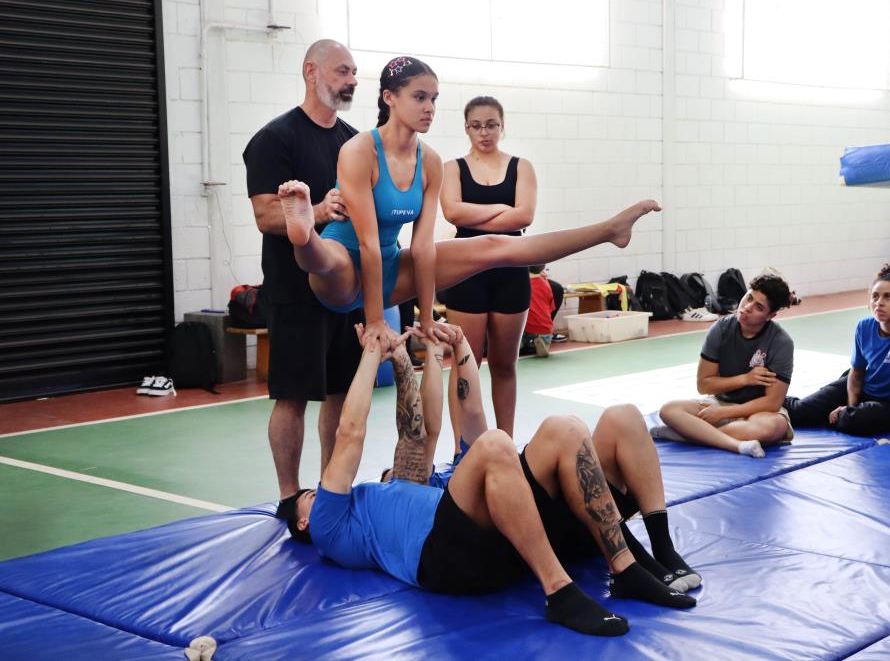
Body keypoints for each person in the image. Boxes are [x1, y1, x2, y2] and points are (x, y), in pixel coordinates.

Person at [278, 327, 694, 638]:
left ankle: (627, 564)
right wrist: (369, 353)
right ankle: (560, 591)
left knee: (564, 428)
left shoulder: (410, 488)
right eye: (311, 495)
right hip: (441, 557)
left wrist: (449, 352)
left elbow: (427, 429)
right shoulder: (330, 527)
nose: (324, 490)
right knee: (497, 446)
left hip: (484, 533)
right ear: (304, 523)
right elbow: (349, 433)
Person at [276, 55, 661, 356]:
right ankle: (304, 232)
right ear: (389, 98)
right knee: (331, 258)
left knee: (497, 246)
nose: (429, 107)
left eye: (434, 99)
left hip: (391, 266)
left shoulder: (429, 161)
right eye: (419, 97)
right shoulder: (359, 150)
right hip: (344, 265)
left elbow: (424, 246)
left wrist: (426, 318)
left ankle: (609, 230)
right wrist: (376, 319)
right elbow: (368, 244)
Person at [429, 329, 703, 594]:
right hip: (534, 527)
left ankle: (662, 544)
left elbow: (471, 409)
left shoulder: (465, 461)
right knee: (561, 431)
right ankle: (630, 555)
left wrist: (458, 343)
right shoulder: (435, 488)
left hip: (579, 512)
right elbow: (423, 432)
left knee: (625, 416)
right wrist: (430, 354)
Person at [242, 39, 361, 500]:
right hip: (295, 292)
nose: (351, 80)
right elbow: (266, 216)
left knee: (339, 394)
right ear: (311, 71)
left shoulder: (354, 142)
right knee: (292, 396)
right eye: (341, 71)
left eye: (353, 73)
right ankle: (291, 497)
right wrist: (317, 211)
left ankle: (330, 490)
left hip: (345, 289)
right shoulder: (275, 140)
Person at [439, 96, 536, 436]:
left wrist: (476, 213)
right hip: (467, 272)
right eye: (477, 125)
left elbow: (525, 215)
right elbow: (452, 213)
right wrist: (501, 209)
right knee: (466, 364)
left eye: (491, 124)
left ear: (502, 125)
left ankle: (505, 442)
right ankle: (462, 448)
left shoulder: (521, 167)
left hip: (511, 271)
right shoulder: (452, 168)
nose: (485, 132)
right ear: (466, 128)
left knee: (505, 365)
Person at [785, 265, 890, 440]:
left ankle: (839, 415)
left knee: (857, 421)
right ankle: (762, 397)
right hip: (863, 390)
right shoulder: (864, 326)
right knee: (799, 413)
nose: (879, 302)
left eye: (888, 297)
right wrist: (850, 406)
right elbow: (857, 372)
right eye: (875, 296)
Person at [656, 274, 796, 458]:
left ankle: (686, 437)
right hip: (720, 402)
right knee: (669, 410)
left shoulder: (781, 342)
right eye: (749, 297)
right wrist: (745, 379)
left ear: (770, 316)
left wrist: (723, 413)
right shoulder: (720, 329)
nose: (747, 307)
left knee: (772, 427)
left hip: (758, 411)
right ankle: (736, 444)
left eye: (759, 307)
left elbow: (772, 402)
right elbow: (704, 385)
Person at [521, 264, 556, 358]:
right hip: (545, 329)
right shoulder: (546, 284)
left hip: (526, 328)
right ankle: (544, 341)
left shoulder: (520, 284)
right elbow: (551, 308)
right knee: (544, 325)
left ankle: (521, 343)